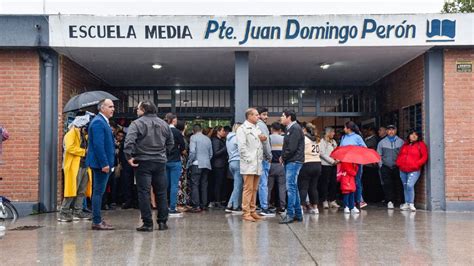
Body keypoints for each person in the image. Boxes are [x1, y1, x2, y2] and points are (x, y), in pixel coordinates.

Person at [124, 101, 174, 232]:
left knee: (144, 192)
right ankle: (162, 222)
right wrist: (164, 154)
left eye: (138, 108)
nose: (136, 110)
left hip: (143, 161)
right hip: (160, 161)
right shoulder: (164, 124)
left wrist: (129, 157)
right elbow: (170, 142)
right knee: (161, 192)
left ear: (144, 109)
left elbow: (129, 141)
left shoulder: (137, 123)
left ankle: (147, 223)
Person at [85, 99, 116, 230]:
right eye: (110, 106)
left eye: (113, 106)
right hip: (100, 165)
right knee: (98, 192)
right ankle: (96, 221)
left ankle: (97, 219)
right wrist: (104, 163)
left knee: (99, 192)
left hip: (102, 164)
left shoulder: (102, 121)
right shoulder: (98, 122)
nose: (113, 109)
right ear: (102, 108)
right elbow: (98, 145)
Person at [58, 114, 93, 222]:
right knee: (72, 190)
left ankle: (78, 212)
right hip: (74, 166)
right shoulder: (71, 134)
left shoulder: (84, 136)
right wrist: (84, 152)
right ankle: (64, 212)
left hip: (84, 166)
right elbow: (69, 148)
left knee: (81, 191)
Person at [236, 108, 266, 222]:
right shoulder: (242, 129)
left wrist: (263, 138)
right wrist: (249, 159)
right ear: (249, 116)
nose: (258, 117)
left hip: (257, 163)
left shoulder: (256, 128)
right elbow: (242, 147)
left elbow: (259, 140)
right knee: (248, 188)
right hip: (249, 163)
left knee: (254, 189)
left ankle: (253, 211)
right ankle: (246, 212)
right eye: (256, 115)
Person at [279, 110, 305, 224]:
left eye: (283, 116)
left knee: (290, 188)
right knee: (293, 188)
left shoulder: (294, 128)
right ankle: (298, 214)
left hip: (293, 161)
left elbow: (292, 147)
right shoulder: (291, 128)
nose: (281, 118)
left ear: (289, 117)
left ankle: (290, 214)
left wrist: (283, 157)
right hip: (293, 161)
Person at [395, 130, 428, 212]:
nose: (413, 136)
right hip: (403, 169)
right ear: (409, 136)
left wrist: (417, 164)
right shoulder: (405, 145)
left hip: (414, 169)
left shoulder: (421, 145)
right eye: (412, 134)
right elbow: (400, 155)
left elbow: (424, 157)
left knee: (410, 185)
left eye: (415, 135)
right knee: (405, 186)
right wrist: (399, 163)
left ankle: (411, 203)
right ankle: (406, 203)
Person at [340, 121, 367, 211]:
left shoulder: (357, 137)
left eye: (344, 127)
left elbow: (364, 148)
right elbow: (340, 149)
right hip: (346, 163)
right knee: (347, 183)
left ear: (349, 129)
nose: (343, 129)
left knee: (357, 181)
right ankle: (349, 203)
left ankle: (358, 201)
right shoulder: (343, 137)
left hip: (356, 163)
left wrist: (354, 150)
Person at [377, 124, 405, 209]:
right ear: (386, 131)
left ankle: (400, 201)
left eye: (393, 129)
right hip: (385, 166)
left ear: (396, 131)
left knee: (399, 184)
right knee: (388, 184)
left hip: (397, 166)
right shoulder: (381, 143)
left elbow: (403, 154)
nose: (391, 131)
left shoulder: (401, 142)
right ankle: (390, 201)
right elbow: (378, 155)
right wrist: (381, 165)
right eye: (389, 130)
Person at [186, 124, 213, 213]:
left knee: (195, 184)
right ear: (201, 130)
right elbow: (211, 154)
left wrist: (189, 162)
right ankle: (204, 205)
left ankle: (196, 205)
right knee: (204, 185)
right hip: (206, 164)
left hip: (196, 164)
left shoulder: (193, 137)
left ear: (193, 131)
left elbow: (192, 151)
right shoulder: (207, 138)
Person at [165, 113, 186, 217]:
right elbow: (183, 147)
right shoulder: (177, 132)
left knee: (164, 185)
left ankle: (163, 207)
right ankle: (172, 208)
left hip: (164, 161)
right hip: (175, 161)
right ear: (173, 120)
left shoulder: (163, 131)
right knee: (174, 185)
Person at [298, 123, 321, 215]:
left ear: (304, 130)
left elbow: (300, 151)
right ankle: (315, 208)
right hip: (318, 164)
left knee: (303, 187)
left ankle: (301, 207)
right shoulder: (316, 139)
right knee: (313, 187)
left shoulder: (304, 139)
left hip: (307, 163)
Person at [256, 107, 274, 216]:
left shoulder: (253, 126)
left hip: (257, 158)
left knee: (258, 184)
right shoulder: (262, 125)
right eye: (264, 114)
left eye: (266, 114)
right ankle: (264, 207)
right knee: (263, 183)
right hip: (263, 158)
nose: (266, 116)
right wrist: (269, 155)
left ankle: (260, 205)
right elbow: (265, 142)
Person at [319, 127, 340, 209]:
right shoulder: (322, 141)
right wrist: (332, 161)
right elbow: (322, 153)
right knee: (325, 183)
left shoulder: (333, 141)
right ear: (328, 133)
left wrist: (337, 160)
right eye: (332, 132)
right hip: (325, 165)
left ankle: (332, 200)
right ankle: (324, 200)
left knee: (333, 183)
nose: (334, 134)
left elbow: (337, 151)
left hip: (334, 165)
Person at [268, 122, 287, 213]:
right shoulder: (284, 139)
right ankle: (282, 206)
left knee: (268, 187)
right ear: (280, 130)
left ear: (271, 129)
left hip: (270, 165)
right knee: (282, 186)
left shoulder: (268, 138)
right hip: (281, 165)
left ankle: (266, 205)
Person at [225, 122, 243, 213]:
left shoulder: (228, 138)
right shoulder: (238, 138)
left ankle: (230, 205)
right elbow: (242, 150)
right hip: (238, 161)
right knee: (238, 186)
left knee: (237, 184)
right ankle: (235, 206)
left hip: (231, 162)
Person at [363, 127, 384, 203]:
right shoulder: (368, 139)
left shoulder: (373, 139)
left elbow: (364, 146)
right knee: (368, 182)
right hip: (368, 163)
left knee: (372, 181)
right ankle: (370, 197)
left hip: (371, 164)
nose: (366, 132)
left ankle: (373, 198)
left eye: (367, 130)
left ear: (371, 131)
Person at [210, 126, 229, 209]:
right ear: (218, 131)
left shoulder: (221, 140)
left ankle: (219, 200)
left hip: (221, 164)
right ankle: (217, 201)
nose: (224, 132)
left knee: (220, 183)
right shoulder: (215, 140)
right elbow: (216, 153)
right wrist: (225, 148)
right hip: (218, 165)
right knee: (218, 183)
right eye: (222, 131)